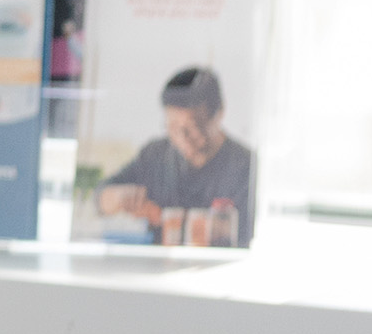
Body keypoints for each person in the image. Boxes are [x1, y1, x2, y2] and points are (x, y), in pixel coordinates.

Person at [92, 66, 259, 244]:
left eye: (192, 126)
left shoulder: (246, 166)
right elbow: (100, 197)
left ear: (219, 113)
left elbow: (249, 236)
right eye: (172, 126)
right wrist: (118, 198)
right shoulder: (155, 155)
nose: (182, 137)